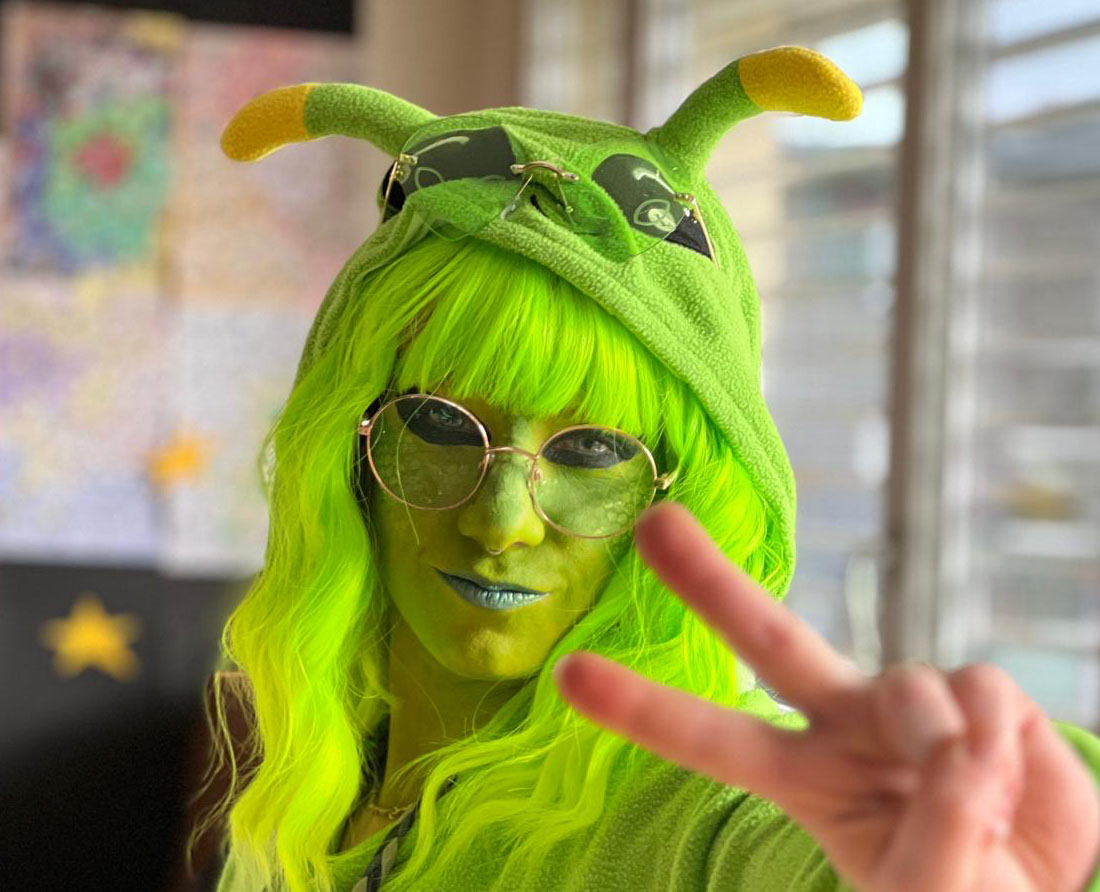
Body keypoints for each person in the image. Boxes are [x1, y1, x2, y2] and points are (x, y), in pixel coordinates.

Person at [200, 46, 1100, 892]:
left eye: (592, 450)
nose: (502, 520)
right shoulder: (304, 780)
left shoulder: (688, 814)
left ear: (685, 490)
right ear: (349, 446)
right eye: (440, 425)